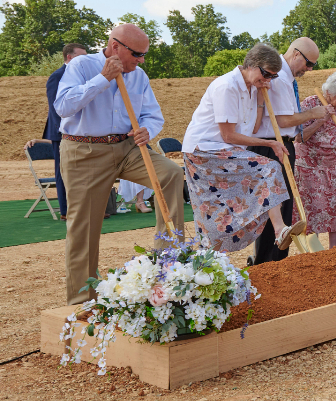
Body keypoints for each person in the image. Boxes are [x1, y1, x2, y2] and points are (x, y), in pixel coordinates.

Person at [54, 23, 185, 305]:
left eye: (144, 55)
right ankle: (83, 301)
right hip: (84, 150)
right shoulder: (81, 66)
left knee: (171, 174)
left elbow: (153, 114)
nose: (141, 61)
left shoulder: (139, 76)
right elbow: (62, 106)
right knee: (84, 226)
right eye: (137, 54)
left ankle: (168, 269)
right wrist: (103, 79)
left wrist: (147, 129)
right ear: (116, 47)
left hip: (127, 148)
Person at [182, 44, 303, 253]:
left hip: (223, 149)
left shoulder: (251, 88)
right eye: (266, 74)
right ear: (252, 65)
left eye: (273, 77)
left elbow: (253, 128)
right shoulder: (227, 86)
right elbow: (227, 135)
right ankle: (279, 229)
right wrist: (270, 143)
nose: (267, 80)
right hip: (204, 151)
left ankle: (211, 256)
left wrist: (259, 97)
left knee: (217, 212)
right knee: (269, 169)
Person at [248, 37, 331, 265]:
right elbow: (282, 120)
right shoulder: (280, 78)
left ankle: (274, 260)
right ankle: (269, 263)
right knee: (276, 206)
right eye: (308, 63)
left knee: (282, 206)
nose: (309, 69)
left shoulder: (284, 77)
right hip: (271, 144)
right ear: (296, 54)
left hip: (278, 143)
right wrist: (314, 113)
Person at [293, 72, 336, 248]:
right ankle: (314, 249)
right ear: (328, 92)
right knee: (313, 208)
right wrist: (321, 120)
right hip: (309, 164)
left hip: (333, 163)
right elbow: (299, 137)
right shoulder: (309, 104)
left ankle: (333, 250)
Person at [38, 43, 88, 220]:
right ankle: (66, 210)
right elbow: (56, 108)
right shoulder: (57, 76)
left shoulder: (81, 76)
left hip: (81, 132)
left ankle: (85, 208)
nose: (83, 60)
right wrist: (68, 128)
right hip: (62, 132)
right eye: (80, 56)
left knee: (83, 171)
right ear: (69, 57)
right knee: (63, 171)